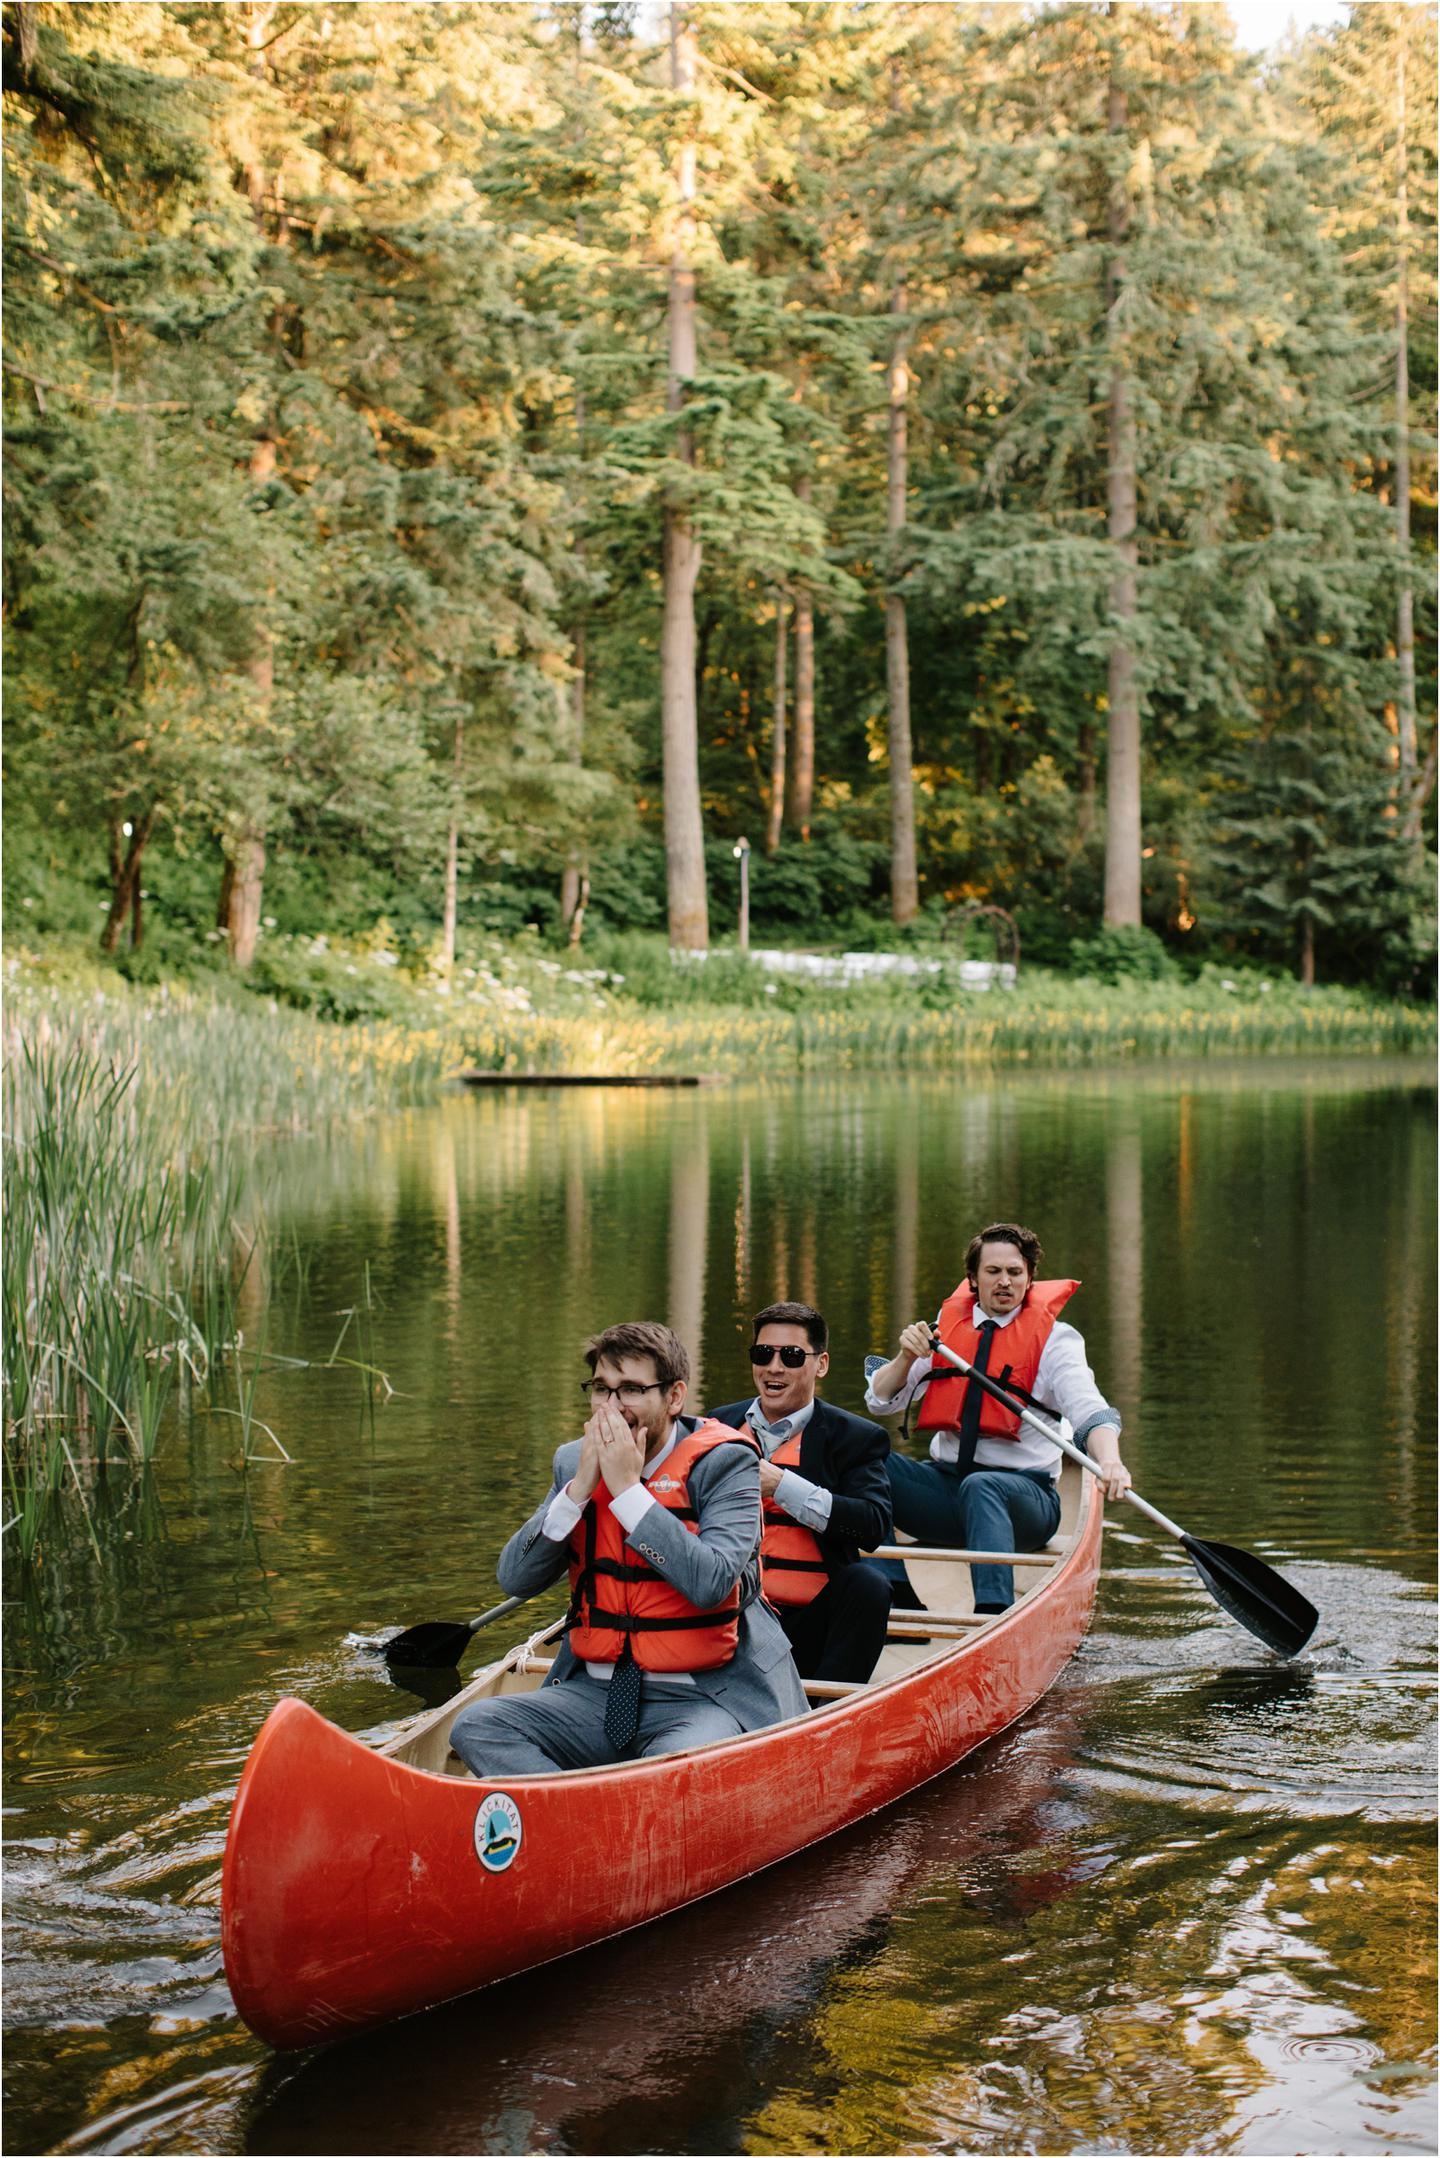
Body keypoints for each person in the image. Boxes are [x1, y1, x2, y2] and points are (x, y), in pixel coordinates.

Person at [449, 1322, 808, 1776]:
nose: (613, 1407)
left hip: (702, 1698)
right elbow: (516, 1579)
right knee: (477, 1726)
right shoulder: (571, 1462)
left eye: (632, 1390)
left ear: (674, 1397)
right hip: (593, 1694)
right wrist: (579, 1490)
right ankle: (572, 1823)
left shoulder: (726, 1463)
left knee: (667, 1769)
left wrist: (626, 1492)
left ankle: (587, 1815)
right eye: (602, 1389)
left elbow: (712, 1583)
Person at [866, 1223, 1131, 1614]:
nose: (1004, 1282)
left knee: (983, 1485)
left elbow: (1091, 1411)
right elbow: (881, 1402)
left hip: (1025, 1504)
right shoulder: (943, 1331)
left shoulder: (1057, 1341)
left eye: (1015, 1272)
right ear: (973, 1278)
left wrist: (1110, 1460)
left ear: (1029, 1278)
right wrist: (906, 1357)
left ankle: (993, 1614)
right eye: (993, 1272)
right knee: (864, 1456)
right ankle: (894, 1591)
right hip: (948, 1493)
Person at [710, 1302, 894, 1686]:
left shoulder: (856, 1438)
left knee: (870, 1586)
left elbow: (874, 1525)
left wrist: (781, 1485)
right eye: (763, 1354)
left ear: (821, 1364)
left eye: (792, 1356)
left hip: (807, 1627)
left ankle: (824, 1711)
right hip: (727, 1622)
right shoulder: (715, 1426)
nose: (774, 1367)